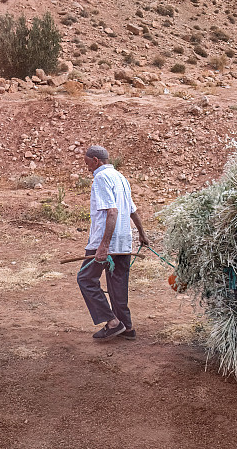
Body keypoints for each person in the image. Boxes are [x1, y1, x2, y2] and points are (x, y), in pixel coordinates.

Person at [77, 145, 149, 341]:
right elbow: (132, 210)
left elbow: (112, 211)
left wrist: (104, 246)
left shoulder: (101, 178)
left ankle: (112, 322)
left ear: (96, 160)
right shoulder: (121, 178)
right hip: (124, 241)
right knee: (118, 284)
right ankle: (127, 328)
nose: (88, 169)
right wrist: (142, 234)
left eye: (88, 164)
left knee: (85, 279)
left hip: (104, 242)